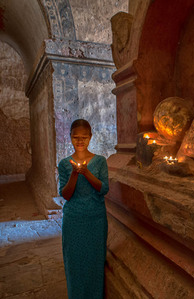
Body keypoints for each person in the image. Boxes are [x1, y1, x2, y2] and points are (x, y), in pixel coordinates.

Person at [58, 119, 109, 299]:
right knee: (75, 264)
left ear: (90, 137)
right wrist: (74, 173)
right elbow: (65, 195)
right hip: (74, 220)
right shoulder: (65, 164)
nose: (80, 141)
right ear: (70, 137)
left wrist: (86, 172)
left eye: (84, 137)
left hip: (95, 219)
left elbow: (103, 189)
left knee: (94, 263)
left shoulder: (100, 161)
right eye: (75, 137)